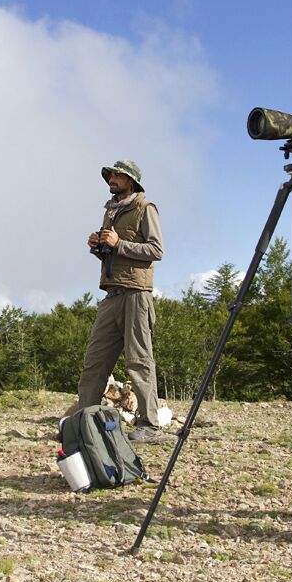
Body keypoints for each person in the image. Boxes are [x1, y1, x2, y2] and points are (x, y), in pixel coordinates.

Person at [74, 160, 165, 443]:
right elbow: (113, 253)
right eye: (110, 175)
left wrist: (118, 244)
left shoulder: (145, 208)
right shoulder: (110, 212)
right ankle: (85, 422)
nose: (111, 179)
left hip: (137, 295)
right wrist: (98, 247)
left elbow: (156, 250)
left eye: (117, 175)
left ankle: (149, 424)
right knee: (95, 362)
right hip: (111, 295)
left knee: (139, 361)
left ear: (131, 181)